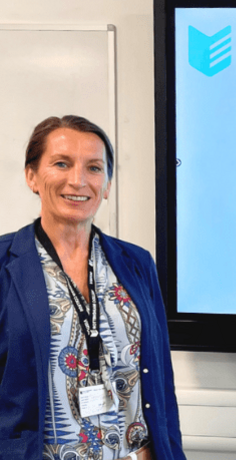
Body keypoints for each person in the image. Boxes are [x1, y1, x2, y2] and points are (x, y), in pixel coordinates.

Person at [0, 115, 186, 460]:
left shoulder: (137, 263)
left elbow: (161, 380)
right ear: (31, 176)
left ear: (108, 184)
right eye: (61, 163)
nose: (78, 181)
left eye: (95, 168)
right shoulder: (3, 264)